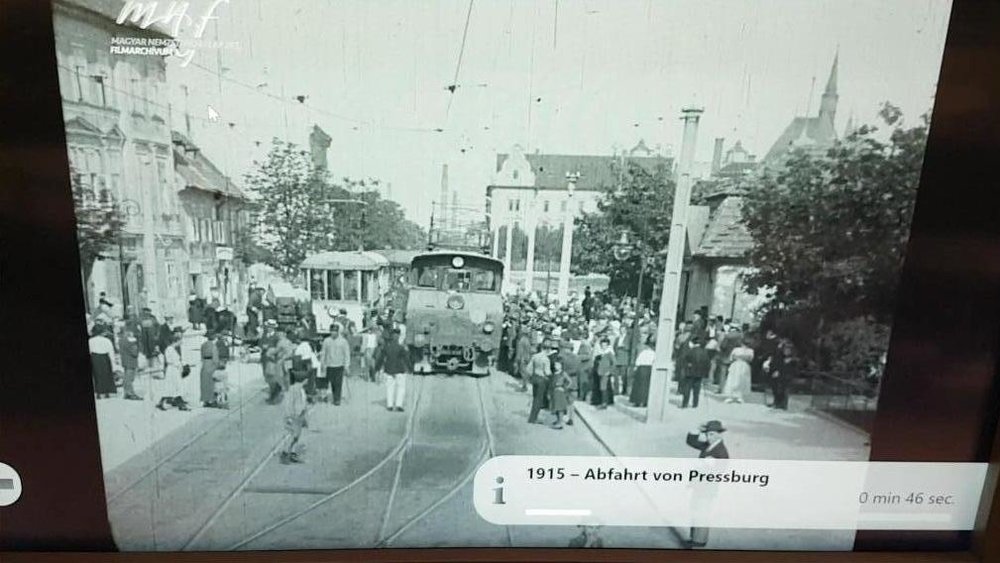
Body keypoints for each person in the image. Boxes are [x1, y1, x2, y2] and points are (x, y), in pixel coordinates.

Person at [686, 420, 729, 548]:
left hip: (707, 488)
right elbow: (691, 442)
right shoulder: (708, 445)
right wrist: (697, 429)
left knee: (702, 513)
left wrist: (710, 467)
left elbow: (720, 471)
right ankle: (694, 538)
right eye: (708, 434)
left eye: (712, 434)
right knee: (695, 511)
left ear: (719, 434)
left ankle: (699, 542)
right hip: (699, 486)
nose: (709, 437)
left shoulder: (721, 451)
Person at [376, 327, 412, 412]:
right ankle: (399, 405)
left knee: (390, 388)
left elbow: (380, 359)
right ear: (398, 337)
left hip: (388, 370)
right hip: (400, 370)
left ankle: (390, 405)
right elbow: (406, 359)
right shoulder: (401, 348)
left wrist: (377, 368)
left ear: (391, 337)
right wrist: (410, 369)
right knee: (401, 388)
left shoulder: (386, 348)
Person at [280, 368, 308, 464]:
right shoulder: (295, 390)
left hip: (298, 417)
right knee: (293, 436)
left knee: (296, 436)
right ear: (303, 380)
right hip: (293, 417)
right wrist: (289, 417)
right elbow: (291, 404)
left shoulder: (299, 389)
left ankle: (292, 453)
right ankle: (285, 454)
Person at [157, 329, 190, 411]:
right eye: (180, 341)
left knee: (172, 387)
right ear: (176, 341)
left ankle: (162, 402)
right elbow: (173, 361)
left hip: (173, 370)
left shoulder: (171, 349)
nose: (181, 342)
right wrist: (181, 366)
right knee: (176, 386)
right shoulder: (170, 349)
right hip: (173, 370)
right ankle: (180, 404)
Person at [320, 325, 351, 406]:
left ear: (338, 332)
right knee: (332, 383)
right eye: (331, 331)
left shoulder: (343, 341)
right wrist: (322, 363)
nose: (333, 333)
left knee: (338, 383)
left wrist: (347, 365)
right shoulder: (326, 341)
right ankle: (335, 396)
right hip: (329, 365)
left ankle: (337, 399)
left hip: (339, 365)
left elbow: (347, 354)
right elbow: (323, 353)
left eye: (335, 331)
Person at [680, 336, 711, 409]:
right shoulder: (704, 352)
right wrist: (705, 374)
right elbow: (707, 364)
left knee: (687, 389)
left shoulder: (690, 351)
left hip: (690, 373)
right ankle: (695, 404)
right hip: (699, 373)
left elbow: (684, 361)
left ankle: (685, 404)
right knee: (696, 390)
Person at [89, 326, 118, 399]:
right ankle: (106, 391)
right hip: (104, 357)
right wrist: (113, 362)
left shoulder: (91, 340)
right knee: (106, 374)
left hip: (94, 357)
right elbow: (111, 352)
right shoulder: (107, 340)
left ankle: (99, 392)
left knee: (97, 375)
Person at [527, 343, 552, 424]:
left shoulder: (535, 356)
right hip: (542, 379)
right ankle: (533, 418)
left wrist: (531, 376)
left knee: (535, 398)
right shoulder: (546, 359)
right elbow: (547, 372)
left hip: (535, 377)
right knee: (539, 399)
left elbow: (529, 368)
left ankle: (531, 417)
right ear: (547, 349)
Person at [723, 338, 754, 404]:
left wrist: (738, 357)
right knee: (737, 380)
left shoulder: (740, 350)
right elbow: (750, 359)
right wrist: (743, 357)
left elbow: (732, 357)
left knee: (738, 380)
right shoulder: (748, 351)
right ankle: (735, 396)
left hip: (740, 365)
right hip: (740, 365)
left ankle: (735, 396)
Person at [629, 335, 655, 407]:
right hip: (649, 369)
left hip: (641, 369)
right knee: (646, 387)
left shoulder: (643, 353)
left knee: (638, 386)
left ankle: (637, 401)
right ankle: (644, 402)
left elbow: (638, 361)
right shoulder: (653, 353)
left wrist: (635, 368)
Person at [592, 337, 615, 409]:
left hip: (605, 373)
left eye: (605, 345)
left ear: (608, 346)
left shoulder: (609, 354)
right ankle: (602, 402)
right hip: (600, 373)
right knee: (601, 387)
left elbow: (614, 363)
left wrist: (609, 371)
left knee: (603, 388)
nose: (603, 347)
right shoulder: (601, 354)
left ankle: (604, 403)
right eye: (602, 345)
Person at [549, 356, 572, 429]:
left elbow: (570, 382)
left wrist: (564, 388)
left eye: (558, 365)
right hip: (554, 392)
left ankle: (560, 423)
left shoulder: (563, 373)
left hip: (560, 393)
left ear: (561, 365)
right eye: (555, 364)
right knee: (555, 407)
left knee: (560, 408)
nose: (556, 366)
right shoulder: (554, 373)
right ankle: (558, 420)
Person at [118, 328, 141, 400]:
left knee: (126, 378)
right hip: (131, 361)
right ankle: (131, 394)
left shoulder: (121, 340)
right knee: (130, 378)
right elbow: (134, 353)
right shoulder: (131, 342)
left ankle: (126, 393)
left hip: (125, 361)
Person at [199, 331, 221, 408]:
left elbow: (201, 356)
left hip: (205, 364)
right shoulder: (213, 346)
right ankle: (212, 400)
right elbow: (215, 358)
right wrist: (216, 365)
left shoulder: (203, 345)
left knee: (204, 383)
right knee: (211, 383)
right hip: (211, 364)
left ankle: (205, 400)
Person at [514, 324, 533, 393]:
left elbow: (521, 351)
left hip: (523, 358)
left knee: (523, 372)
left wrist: (518, 359)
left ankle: (524, 386)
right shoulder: (526, 340)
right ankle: (524, 385)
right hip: (525, 357)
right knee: (524, 372)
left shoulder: (523, 340)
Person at [576, 333, 593, 401]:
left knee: (583, 382)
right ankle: (581, 396)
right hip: (582, 366)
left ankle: (582, 396)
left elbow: (588, 356)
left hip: (585, 367)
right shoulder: (583, 345)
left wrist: (578, 357)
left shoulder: (585, 345)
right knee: (581, 382)